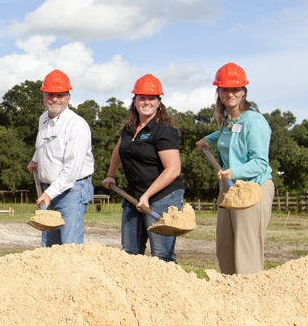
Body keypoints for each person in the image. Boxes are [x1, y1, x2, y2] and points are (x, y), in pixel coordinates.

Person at [195, 62, 274, 275]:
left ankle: (249, 298)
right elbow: (227, 135)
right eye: (225, 89)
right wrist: (209, 139)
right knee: (225, 248)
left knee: (246, 251)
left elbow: (260, 163)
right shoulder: (229, 120)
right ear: (218, 92)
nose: (230, 93)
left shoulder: (254, 122)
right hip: (229, 187)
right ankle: (230, 293)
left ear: (243, 91)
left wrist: (234, 172)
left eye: (235, 89)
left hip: (251, 188)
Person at [101, 74, 184, 262]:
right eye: (142, 98)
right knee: (130, 252)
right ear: (135, 101)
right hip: (134, 195)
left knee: (162, 255)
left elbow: (173, 169)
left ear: (159, 102)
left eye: (151, 98)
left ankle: (168, 291)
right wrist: (111, 174)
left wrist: (147, 196)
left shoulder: (164, 130)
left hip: (163, 196)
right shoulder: (130, 128)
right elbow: (119, 148)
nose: (147, 102)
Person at [28, 69, 94, 246]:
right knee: (49, 247)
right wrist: (36, 159)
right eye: (50, 94)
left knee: (69, 247)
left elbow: (71, 170)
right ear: (44, 96)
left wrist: (48, 194)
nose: (55, 99)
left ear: (68, 97)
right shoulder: (43, 118)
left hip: (72, 191)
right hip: (49, 189)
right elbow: (43, 144)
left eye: (60, 95)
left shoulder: (77, 125)